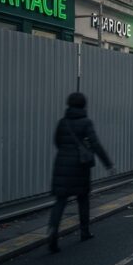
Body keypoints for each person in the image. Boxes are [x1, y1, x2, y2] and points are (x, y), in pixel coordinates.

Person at [48, 92, 114, 253]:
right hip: (80, 166)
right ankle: (84, 231)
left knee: (60, 200)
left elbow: (57, 141)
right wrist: (108, 164)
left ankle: (52, 230)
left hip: (61, 164)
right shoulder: (86, 122)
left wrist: (66, 153)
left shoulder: (62, 122)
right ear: (84, 105)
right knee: (83, 199)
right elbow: (95, 144)